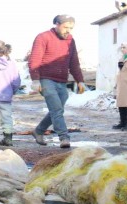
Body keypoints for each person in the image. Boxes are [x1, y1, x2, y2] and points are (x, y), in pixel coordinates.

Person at [29, 14, 88, 148]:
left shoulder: (70, 40)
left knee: (57, 110)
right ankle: (64, 137)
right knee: (56, 109)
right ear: (56, 24)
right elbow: (35, 59)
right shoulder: (43, 37)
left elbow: (73, 62)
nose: (68, 30)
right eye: (65, 27)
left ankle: (38, 131)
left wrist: (80, 80)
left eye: (71, 28)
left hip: (62, 81)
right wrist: (36, 80)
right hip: (46, 80)